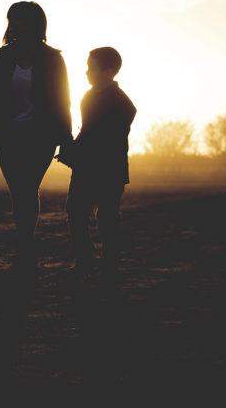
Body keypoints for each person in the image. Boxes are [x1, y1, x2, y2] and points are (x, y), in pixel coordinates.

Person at [0, 1, 72, 283]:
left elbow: (63, 101)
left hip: (41, 136)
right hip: (8, 136)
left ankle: (25, 252)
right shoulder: (0, 60)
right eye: (11, 19)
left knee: (26, 189)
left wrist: (67, 139)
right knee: (20, 192)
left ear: (35, 24)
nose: (14, 25)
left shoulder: (52, 59)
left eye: (20, 20)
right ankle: (26, 250)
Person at [56, 46, 136, 283]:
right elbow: (89, 130)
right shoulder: (88, 96)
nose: (86, 72)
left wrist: (80, 149)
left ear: (109, 71)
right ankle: (87, 260)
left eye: (92, 68)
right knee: (76, 212)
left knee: (106, 218)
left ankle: (108, 266)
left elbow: (107, 136)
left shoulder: (122, 103)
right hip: (87, 167)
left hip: (108, 169)